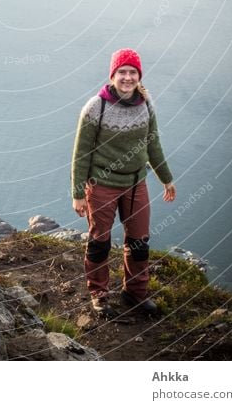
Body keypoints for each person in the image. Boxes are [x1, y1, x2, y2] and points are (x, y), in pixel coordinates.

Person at [71, 48, 176, 319]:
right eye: (122, 72)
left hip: (136, 183)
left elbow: (153, 145)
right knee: (99, 242)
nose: (127, 77)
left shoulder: (146, 105)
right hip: (102, 183)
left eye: (132, 72)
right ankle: (99, 294)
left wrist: (166, 178)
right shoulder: (97, 106)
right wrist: (77, 193)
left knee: (139, 241)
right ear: (113, 75)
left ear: (139, 76)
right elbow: (81, 152)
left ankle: (135, 292)